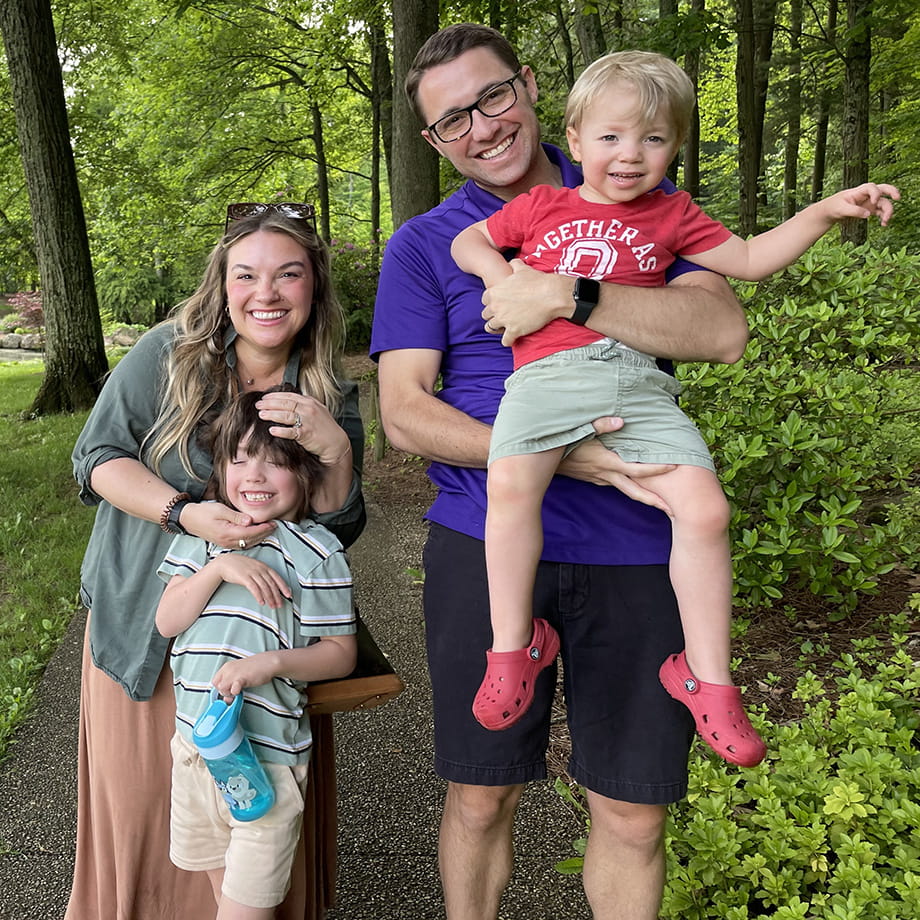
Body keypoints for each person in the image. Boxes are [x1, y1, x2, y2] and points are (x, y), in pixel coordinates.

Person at [370, 23, 751, 920]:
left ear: (532, 87)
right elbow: (404, 412)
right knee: (481, 792)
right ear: (433, 142)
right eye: (451, 119)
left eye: (492, 95)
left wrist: (573, 295)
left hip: (635, 546)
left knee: (632, 812)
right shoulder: (425, 244)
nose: (481, 126)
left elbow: (722, 333)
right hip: (486, 538)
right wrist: (561, 458)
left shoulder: (639, 188)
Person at [450, 50, 897, 764]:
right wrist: (507, 277)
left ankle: (707, 676)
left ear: (676, 146)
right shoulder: (543, 205)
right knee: (509, 486)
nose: (631, 155)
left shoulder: (674, 215)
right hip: (546, 376)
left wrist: (822, 211)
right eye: (611, 137)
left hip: (637, 380)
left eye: (653, 139)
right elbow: (469, 238)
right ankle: (514, 647)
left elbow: (750, 260)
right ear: (574, 132)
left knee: (705, 509)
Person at [69, 202, 365, 920]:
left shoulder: (328, 390)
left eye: (288, 274)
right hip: (153, 623)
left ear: (314, 289)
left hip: (264, 641)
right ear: (222, 284)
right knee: (151, 813)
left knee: (255, 828)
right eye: (248, 274)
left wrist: (338, 451)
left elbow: (336, 529)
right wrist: (184, 513)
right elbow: (96, 459)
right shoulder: (166, 355)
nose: (266, 293)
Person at [155, 388, 357, 919]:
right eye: (239, 459)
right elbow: (167, 620)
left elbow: (340, 655)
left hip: (268, 762)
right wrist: (219, 568)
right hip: (199, 755)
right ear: (220, 469)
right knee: (224, 902)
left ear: (307, 472)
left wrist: (270, 664)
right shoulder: (203, 538)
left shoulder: (315, 551)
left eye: (275, 463)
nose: (255, 476)